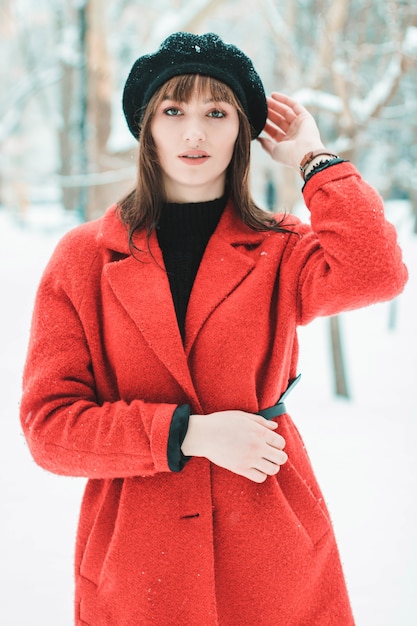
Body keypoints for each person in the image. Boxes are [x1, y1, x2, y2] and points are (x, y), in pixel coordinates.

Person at [20, 32, 407, 626]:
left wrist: (315, 161)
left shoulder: (280, 248)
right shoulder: (83, 260)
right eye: (173, 111)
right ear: (147, 128)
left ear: (242, 131)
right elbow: (50, 428)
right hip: (135, 559)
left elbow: (376, 272)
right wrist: (185, 435)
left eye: (216, 113)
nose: (193, 133)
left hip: (270, 549)